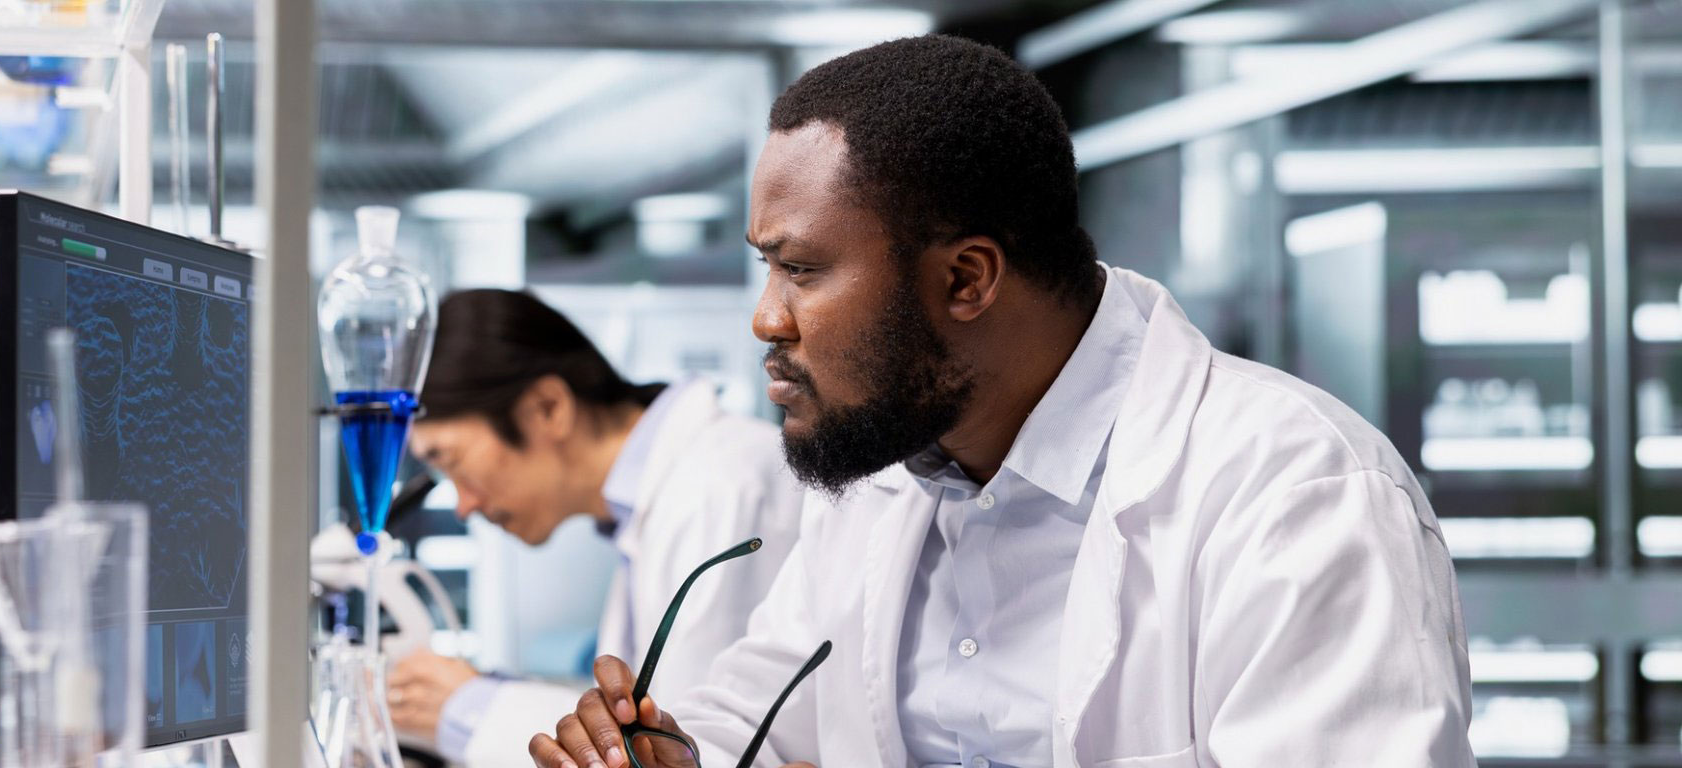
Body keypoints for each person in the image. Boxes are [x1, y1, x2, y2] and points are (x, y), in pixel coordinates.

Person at [530, 35, 1473, 768]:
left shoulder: (1296, 497)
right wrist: (674, 748)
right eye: (766, 267)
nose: (766, 320)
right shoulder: (880, 486)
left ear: (969, 278)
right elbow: (762, 708)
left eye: (803, 270)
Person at [386, 289, 804, 767]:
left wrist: (464, 709)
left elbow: (688, 747)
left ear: (547, 407)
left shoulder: (721, 487)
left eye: (451, 461)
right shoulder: (655, 505)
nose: (462, 505)